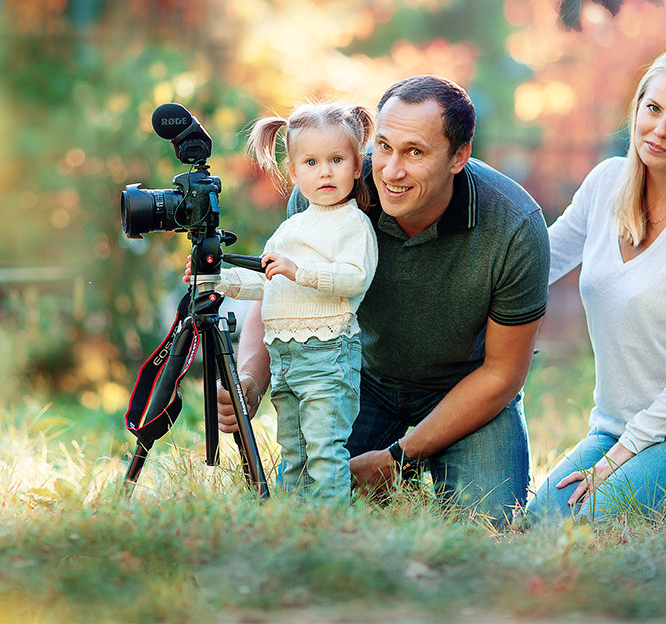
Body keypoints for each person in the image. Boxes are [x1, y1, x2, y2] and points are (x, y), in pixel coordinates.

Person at [219, 76, 551, 527]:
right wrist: (250, 381)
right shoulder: (331, 184)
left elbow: (503, 373)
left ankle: (413, 469)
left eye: (415, 152)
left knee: (489, 524)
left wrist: (398, 458)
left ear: (459, 156)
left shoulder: (514, 225)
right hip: (358, 375)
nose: (391, 170)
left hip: (465, 389)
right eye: (385, 147)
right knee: (305, 505)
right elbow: (282, 287)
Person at [526, 45, 666, 526]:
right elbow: (538, 262)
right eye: (653, 109)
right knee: (541, 522)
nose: (659, 130)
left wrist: (623, 456)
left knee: (590, 526)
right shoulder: (606, 183)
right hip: (614, 427)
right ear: (637, 107)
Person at [197, 101, 378, 503]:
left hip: (327, 354)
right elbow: (269, 283)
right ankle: (294, 521)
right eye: (311, 162)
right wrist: (218, 280)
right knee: (294, 450)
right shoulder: (290, 227)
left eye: (336, 160)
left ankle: (330, 526)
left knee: (324, 449)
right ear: (294, 172)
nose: (325, 171)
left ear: (356, 166)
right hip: (286, 358)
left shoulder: (352, 224)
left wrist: (300, 271)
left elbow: (355, 277)